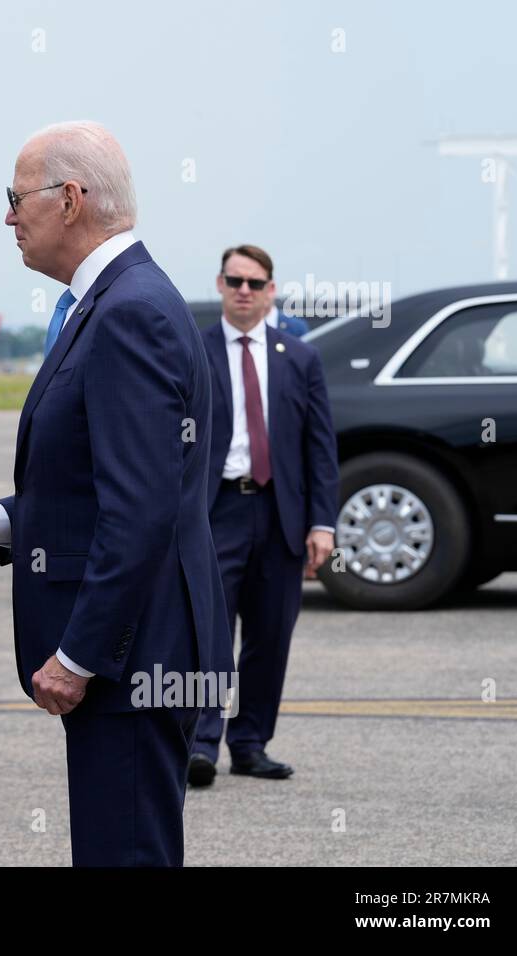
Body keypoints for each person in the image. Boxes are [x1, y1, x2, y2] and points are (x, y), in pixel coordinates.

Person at [0, 121, 232, 866]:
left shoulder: (127, 311)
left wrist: (78, 656)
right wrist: (5, 524)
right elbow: (103, 488)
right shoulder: (113, 300)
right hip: (142, 644)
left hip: (131, 654)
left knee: (124, 852)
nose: (8, 216)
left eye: (16, 198)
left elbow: (140, 512)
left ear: (70, 199)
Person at [187, 244, 339, 786]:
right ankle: (200, 744)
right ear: (221, 285)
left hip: (281, 516)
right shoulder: (193, 351)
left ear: (272, 290)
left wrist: (323, 522)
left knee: (270, 636)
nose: (244, 291)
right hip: (216, 511)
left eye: (255, 283)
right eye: (234, 281)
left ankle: (250, 744)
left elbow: (320, 447)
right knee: (207, 635)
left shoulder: (300, 358)